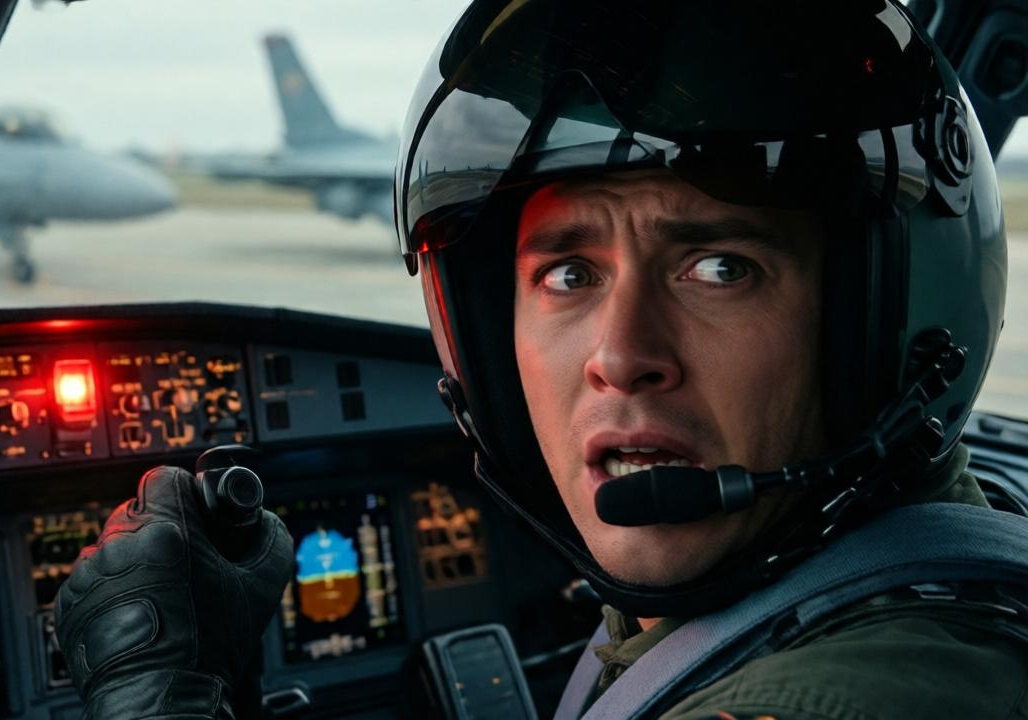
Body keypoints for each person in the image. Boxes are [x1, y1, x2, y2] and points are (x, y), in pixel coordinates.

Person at [55, 2, 1028, 718]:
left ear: (899, 331)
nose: (619, 356)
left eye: (719, 266)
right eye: (565, 274)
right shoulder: (884, 583)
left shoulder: (848, 696)